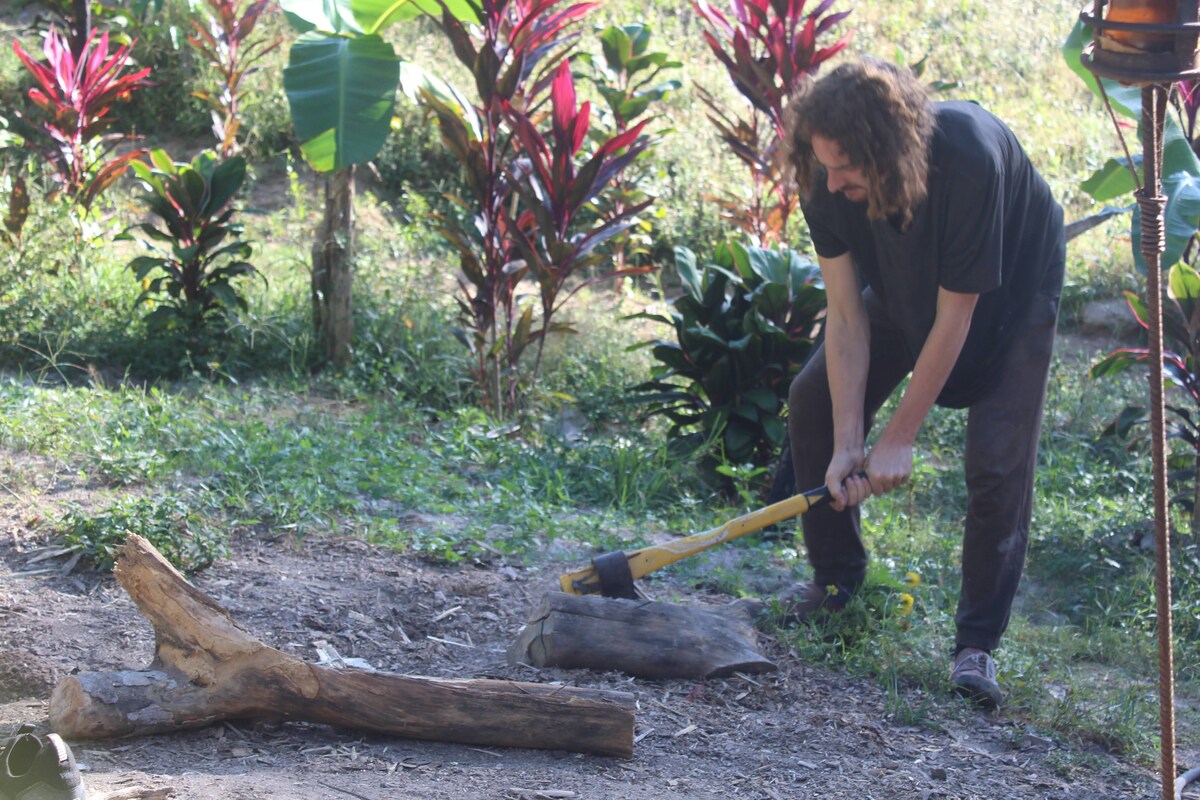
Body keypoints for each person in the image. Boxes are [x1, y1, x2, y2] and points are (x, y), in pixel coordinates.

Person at [780, 58, 1065, 708]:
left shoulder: (967, 159)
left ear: (886, 149)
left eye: (846, 164)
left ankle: (975, 646)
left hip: (1013, 288)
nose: (832, 179)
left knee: (996, 459)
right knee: (812, 399)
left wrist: (899, 437)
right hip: (908, 271)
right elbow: (848, 316)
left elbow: (955, 316)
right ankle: (837, 581)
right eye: (824, 164)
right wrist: (849, 440)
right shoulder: (825, 181)